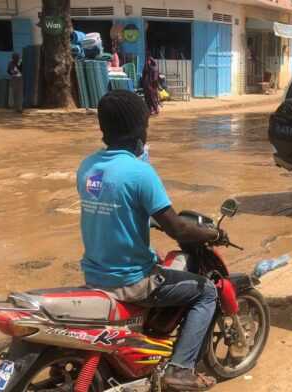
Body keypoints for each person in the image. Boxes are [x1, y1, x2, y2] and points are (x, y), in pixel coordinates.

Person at [76, 90, 222, 391]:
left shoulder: (87, 167)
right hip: (131, 281)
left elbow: (116, 208)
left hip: (94, 276)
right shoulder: (140, 172)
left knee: (156, 257)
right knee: (206, 292)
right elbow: (178, 229)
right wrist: (214, 233)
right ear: (139, 129)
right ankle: (180, 369)